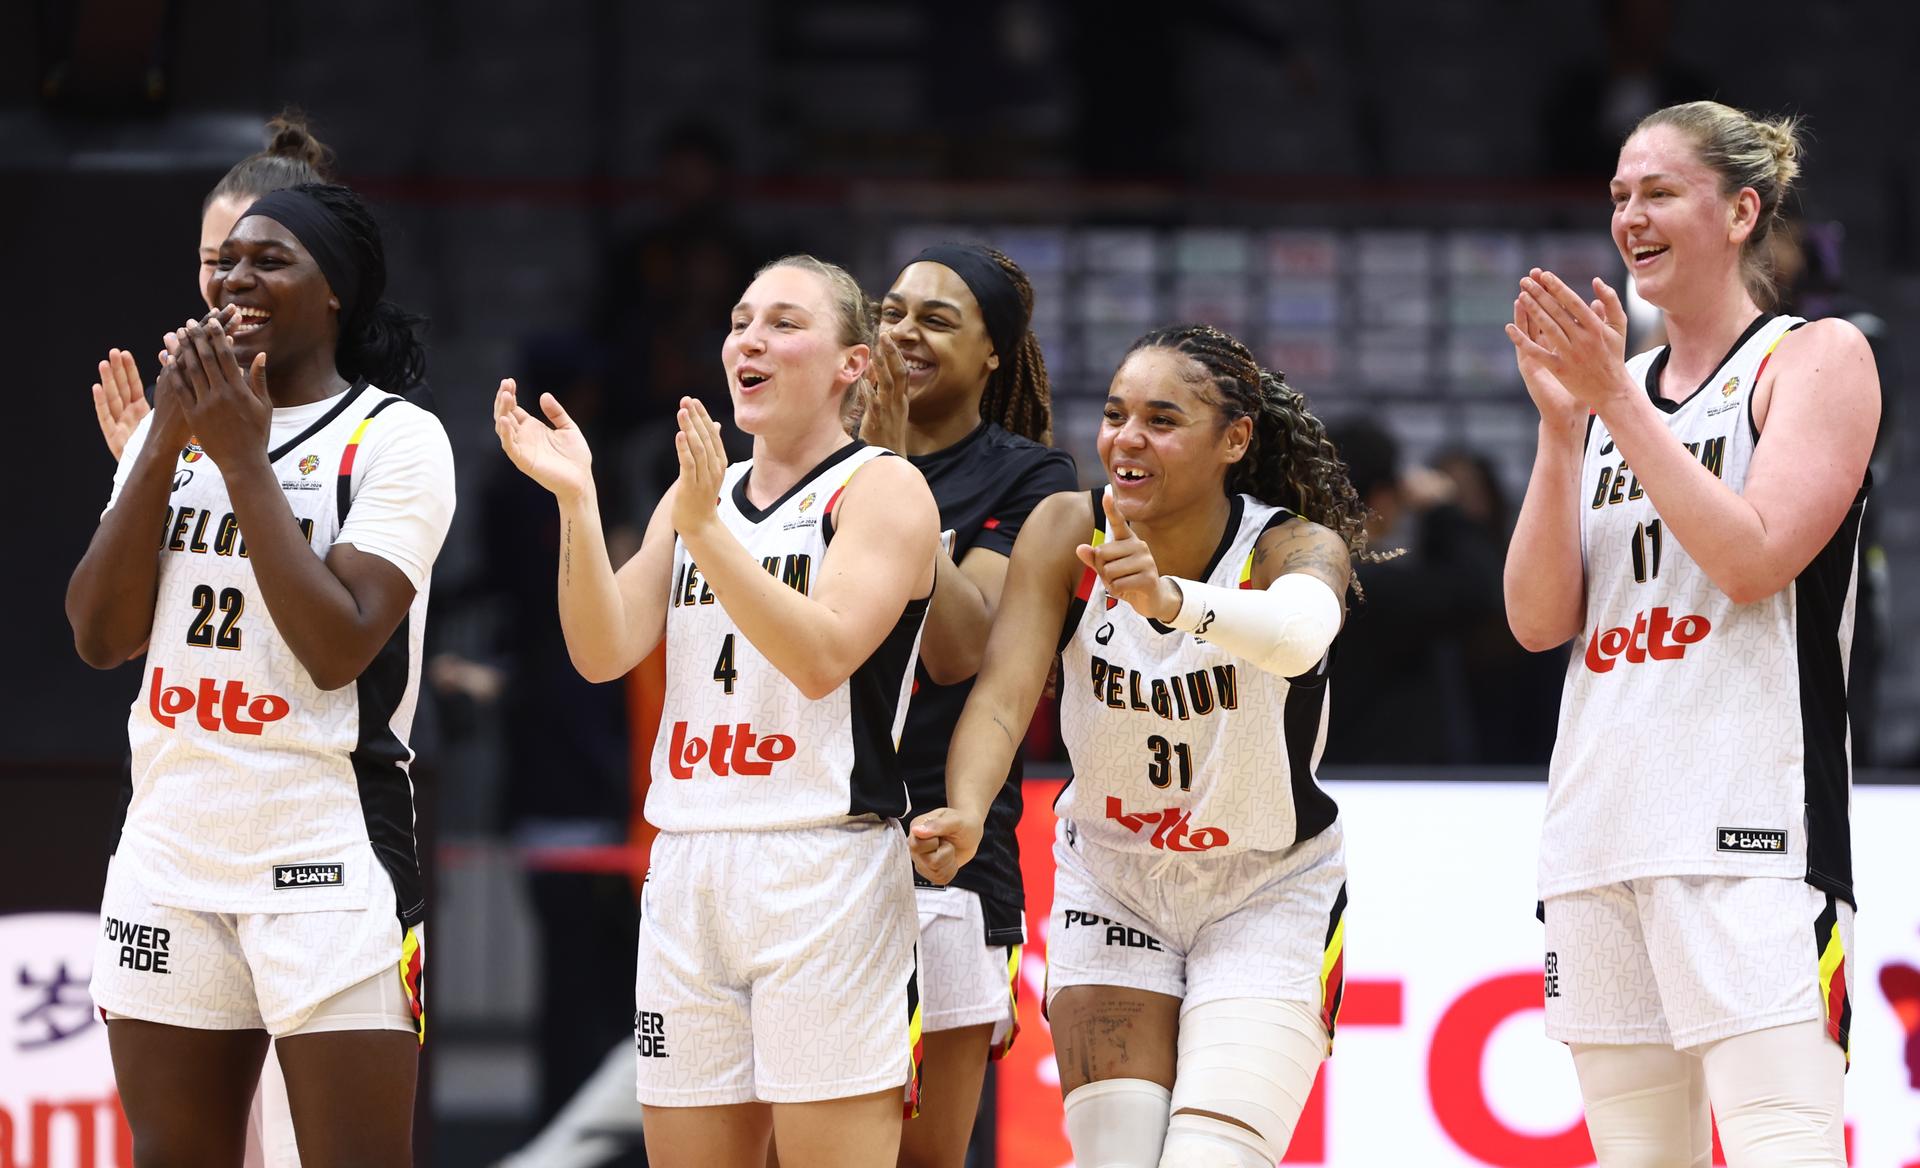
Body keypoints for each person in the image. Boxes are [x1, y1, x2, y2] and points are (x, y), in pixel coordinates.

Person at [494, 254, 939, 1168]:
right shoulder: (695, 498)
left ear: (852, 364)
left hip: (823, 864)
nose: (750, 338)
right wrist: (579, 503)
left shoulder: (883, 489)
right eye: (741, 321)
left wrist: (704, 533)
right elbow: (600, 649)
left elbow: (821, 657)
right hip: (690, 862)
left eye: (783, 321)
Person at [1505, 100, 1878, 1165]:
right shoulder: (1611, 398)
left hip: (1750, 829)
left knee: (1784, 1147)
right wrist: (1560, 429)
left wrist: (1614, 398)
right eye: (1620, 195)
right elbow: (1538, 622)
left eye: (1660, 191)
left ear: (1741, 210)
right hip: (1598, 828)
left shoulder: (1812, 359)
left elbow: (1755, 558)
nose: (1631, 215)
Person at [912, 324, 1368, 1167]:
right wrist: (968, 809)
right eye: (1117, 414)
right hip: (1112, 882)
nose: (1127, 439)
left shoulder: (1287, 547)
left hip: (1267, 888)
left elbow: (1302, 636)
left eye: (1162, 420)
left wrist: (1172, 602)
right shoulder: (1065, 529)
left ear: (1235, 440)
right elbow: (1004, 700)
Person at [65, 182, 454, 1167]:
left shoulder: (395, 439)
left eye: (271, 259)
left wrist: (242, 459)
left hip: (325, 854)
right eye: (225, 262)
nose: (237, 277)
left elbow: (338, 648)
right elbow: (101, 634)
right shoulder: (177, 432)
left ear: (337, 295)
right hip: (170, 851)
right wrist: (163, 443)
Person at [858, 244, 1076, 1168]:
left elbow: (962, 650)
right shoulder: (815, 452)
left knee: (921, 1156)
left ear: (995, 354)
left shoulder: (1033, 480)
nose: (905, 331)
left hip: (942, 847)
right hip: (806, 838)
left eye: (938, 319)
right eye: (894, 311)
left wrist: (891, 472)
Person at [91, 112, 337, 461]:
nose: (232, 280)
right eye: (215, 261)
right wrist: (146, 470)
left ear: (325, 270)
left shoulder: (386, 412)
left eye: (266, 260)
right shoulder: (170, 404)